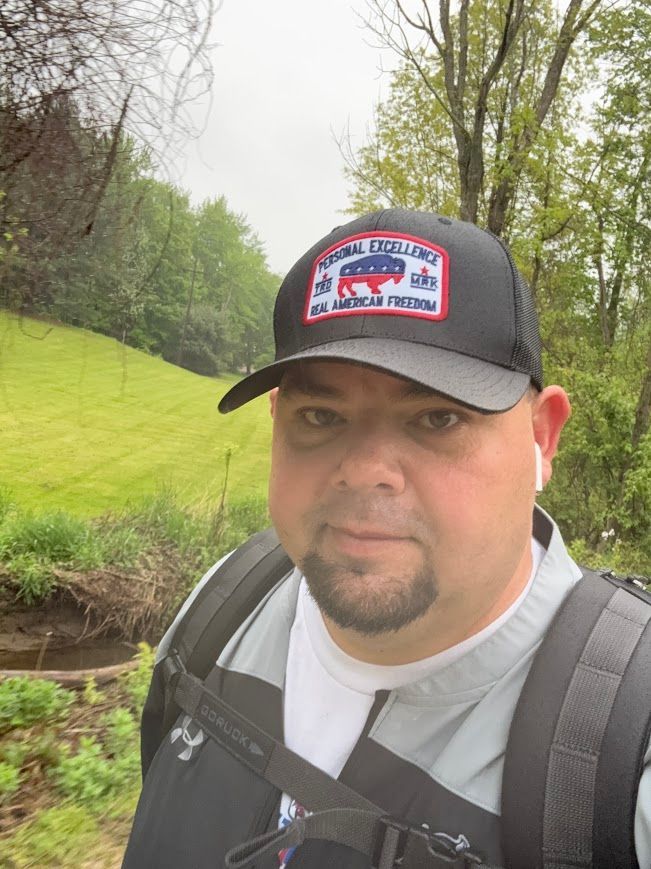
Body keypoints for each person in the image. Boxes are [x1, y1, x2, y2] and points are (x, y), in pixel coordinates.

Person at [122, 209, 651, 869]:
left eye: (437, 417)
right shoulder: (223, 609)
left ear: (541, 438)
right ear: (277, 420)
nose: (365, 469)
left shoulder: (624, 752)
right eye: (321, 415)